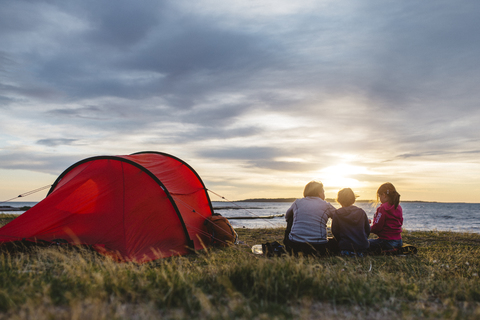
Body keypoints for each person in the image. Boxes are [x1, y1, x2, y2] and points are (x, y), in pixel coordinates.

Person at [283, 181, 338, 256]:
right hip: (318, 247)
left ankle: (293, 240)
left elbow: (287, 217)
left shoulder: (297, 202)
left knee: (291, 216)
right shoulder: (326, 205)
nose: (324, 194)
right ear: (319, 193)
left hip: (294, 246)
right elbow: (339, 217)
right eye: (323, 192)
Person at [331, 188, 370, 257]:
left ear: (339, 200)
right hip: (362, 247)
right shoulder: (361, 212)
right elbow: (367, 229)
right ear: (353, 199)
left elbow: (334, 231)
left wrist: (341, 241)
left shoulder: (337, 213)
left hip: (345, 247)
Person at [369, 182, 403, 252]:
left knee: (365, 243)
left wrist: (366, 228)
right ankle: (393, 249)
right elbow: (400, 222)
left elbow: (377, 227)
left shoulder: (382, 208)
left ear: (384, 195)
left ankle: (387, 250)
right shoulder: (398, 207)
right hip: (398, 241)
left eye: (379, 196)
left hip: (386, 241)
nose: (379, 198)